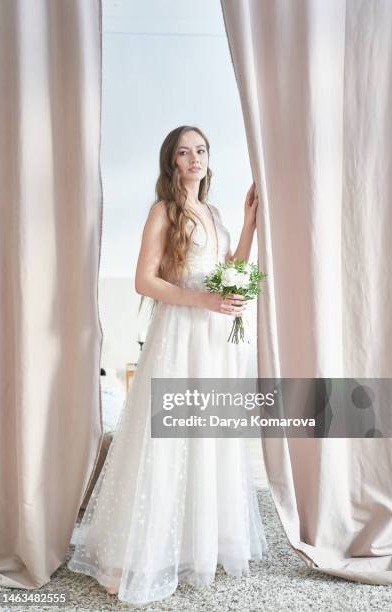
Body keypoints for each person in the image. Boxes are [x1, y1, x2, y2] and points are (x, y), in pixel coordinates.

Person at [68, 126, 267, 605]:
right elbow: (143, 280)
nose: (194, 158)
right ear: (172, 162)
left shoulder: (213, 213)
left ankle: (195, 542)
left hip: (212, 340)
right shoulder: (164, 211)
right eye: (184, 151)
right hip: (179, 334)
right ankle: (141, 550)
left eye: (200, 150)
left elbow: (232, 267)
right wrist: (201, 299)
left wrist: (247, 226)